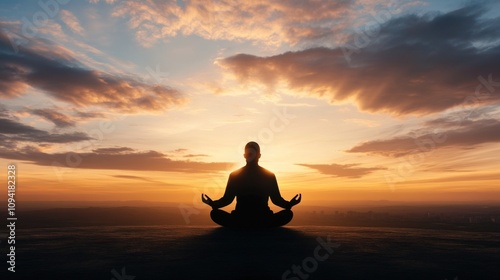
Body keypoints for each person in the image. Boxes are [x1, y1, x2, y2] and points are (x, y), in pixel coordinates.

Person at [201, 141, 301, 228]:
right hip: (263, 220)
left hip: (241, 220)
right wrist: (289, 205)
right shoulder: (269, 175)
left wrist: (212, 204)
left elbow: (227, 200)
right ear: (259, 155)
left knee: (215, 214)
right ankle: (258, 226)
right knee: (287, 214)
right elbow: (276, 200)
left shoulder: (235, 175)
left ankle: (244, 226)